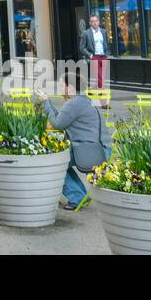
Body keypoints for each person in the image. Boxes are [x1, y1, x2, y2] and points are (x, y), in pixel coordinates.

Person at [40, 76, 112, 210]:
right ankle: (79, 195)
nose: (59, 88)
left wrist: (45, 103)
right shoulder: (83, 100)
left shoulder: (75, 103)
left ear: (70, 88)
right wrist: (48, 102)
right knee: (60, 162)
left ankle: (77, 197)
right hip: (98, 148)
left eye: (62, 85)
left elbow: (57, 124)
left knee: (53, 164)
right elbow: (61, 119)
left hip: (91, 152)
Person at [79, 15, 109, 89]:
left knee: (102, 76)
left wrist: (107, 53)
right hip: (94, 56)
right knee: (99, 76)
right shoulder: (86, 33)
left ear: (98, 22)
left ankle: (95, 88)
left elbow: (106, 43)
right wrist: (90, 55)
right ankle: (103, 92)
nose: (94, 23)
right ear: (90, 23)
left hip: (103, 56)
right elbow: (82, 48)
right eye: (92, 21)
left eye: (96, 21)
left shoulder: (103, 31)